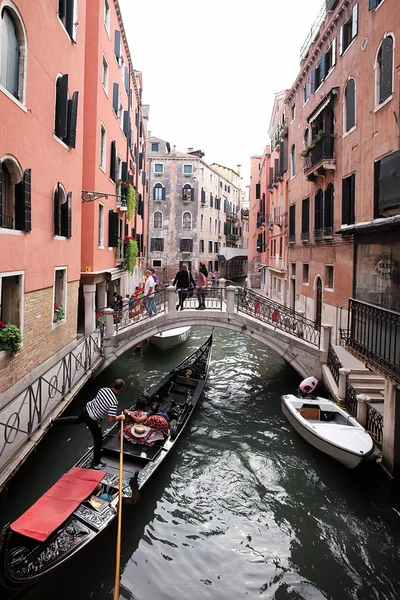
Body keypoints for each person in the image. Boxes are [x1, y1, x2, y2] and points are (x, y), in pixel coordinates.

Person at [51, 380, 126, 469]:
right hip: (91, 419)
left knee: (76, 420)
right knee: (98, 440)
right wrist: (120, 417)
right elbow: (110, 419)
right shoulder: (114, 402)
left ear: (113, 384)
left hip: (86, 410)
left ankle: (54, 421)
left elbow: (99, 404)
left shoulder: (103, 390)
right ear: (121, 389)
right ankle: (96, 463)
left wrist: (99, 416)